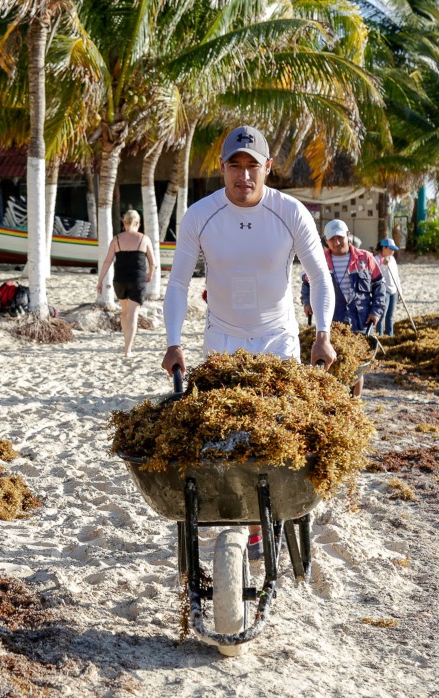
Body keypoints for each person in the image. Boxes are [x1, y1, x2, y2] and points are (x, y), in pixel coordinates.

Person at [162, 124, 336, 560]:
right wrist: (173, 341)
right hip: (222, 338)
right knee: (227, 436)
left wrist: (323, 335)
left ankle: (265, 519)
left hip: (278, 339)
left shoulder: (291, 212)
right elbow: (179, 282)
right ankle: (242, 518)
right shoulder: (200, 215)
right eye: (235, 166)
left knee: (275, 438)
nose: (244, 176)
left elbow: (319, 275)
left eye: (252, 166)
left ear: (268, 168)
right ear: (222, 168)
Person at [303, 218, 384, 397]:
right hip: (333, 321)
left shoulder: (365, 258)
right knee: (333, 363)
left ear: (348, 236)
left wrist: (375, 311)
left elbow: (379, 285)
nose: (337, 242)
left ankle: (355, 401)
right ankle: (336, 399)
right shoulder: (319, 260)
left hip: (360, 319)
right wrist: (307, 302)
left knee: (356, 366)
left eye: (340, 237)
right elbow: (307, 283)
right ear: (326, 241)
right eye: (332, 239)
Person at [97, 208, 157, 357]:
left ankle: (126, 344)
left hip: (120, 281)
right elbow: (153, 263)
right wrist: (150, 274)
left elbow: (107, 261)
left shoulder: (116, 239)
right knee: (133, 314)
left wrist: (100, 281)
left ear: (124, 222)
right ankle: (128, 350)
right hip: (137, 280)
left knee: (125, 313)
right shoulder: (144, 239)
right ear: (138, 223)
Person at [377, 238, 402, 336]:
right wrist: (383, 265)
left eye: (393, 249)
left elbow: (396, 276)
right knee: (382, 316)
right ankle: (380, 336)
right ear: (384, 248)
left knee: (390, 316)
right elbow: (376, 275)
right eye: (391, 249)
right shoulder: (376, 259)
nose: (393, 251)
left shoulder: (392, 259)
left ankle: (390, 335)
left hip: (394, 291)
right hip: (384, 291)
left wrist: (400, 290)